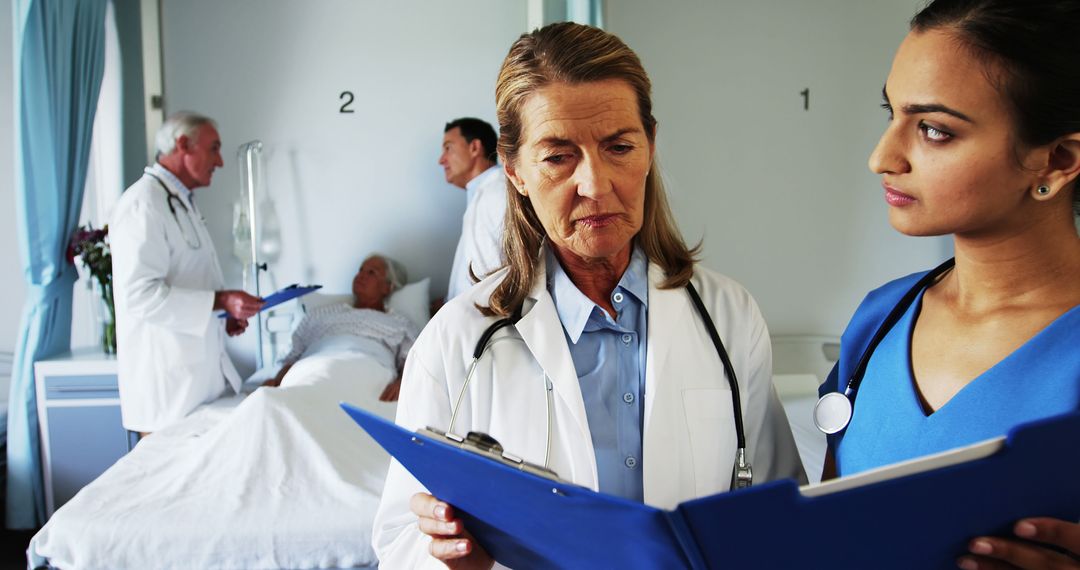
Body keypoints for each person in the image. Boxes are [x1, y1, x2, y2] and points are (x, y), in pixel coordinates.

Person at [373, 22, 804, 568]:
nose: (596, 185)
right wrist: (444, 555)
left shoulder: (729, 316)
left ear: (650, 145)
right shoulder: (457, 340)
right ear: (515, 172)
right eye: (558, 157)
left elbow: (779, 511)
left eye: (619, 146)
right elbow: (398, 543)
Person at [819, 1, 1080, 568]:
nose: (882, 158)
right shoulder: (881, 317)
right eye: (890, 114)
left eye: (934, 130)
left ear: (1058, 160)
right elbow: (828, 531)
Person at [111, 112, 264, 435]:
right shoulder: (142, 205)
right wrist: (221, 299)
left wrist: (223, 309)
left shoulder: (180, 203)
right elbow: (139, 296)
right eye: (214, 149)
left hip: (196, 382)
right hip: (167, 389)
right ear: (182, 144)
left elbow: (189, 279)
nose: (220, 161)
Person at [265, 254, 417, 402]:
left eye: (371, 273)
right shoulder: (320, 314)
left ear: (387, 287)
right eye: (360, 270)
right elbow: (293, 356)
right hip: (312, 366)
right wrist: (278, 380)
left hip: (368, 368)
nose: (361, 276)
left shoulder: (400, 323)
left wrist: (402, 382)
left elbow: (414, 362)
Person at [440, 117, 508, 301]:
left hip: (487, 322)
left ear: (475, 148)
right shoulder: (482, 194)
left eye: (448, 148)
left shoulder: (500, 192)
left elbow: (497, 276)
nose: (441, 160)